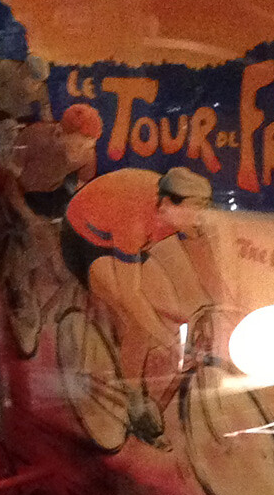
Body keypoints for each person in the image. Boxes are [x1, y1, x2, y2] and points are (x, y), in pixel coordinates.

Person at [61, 165, 230, 403]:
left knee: (171, 310)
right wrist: (169, 342)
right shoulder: (135, 221)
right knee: (139, 324)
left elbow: (206, 269)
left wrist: (230, 307)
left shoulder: (181, 216)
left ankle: (134, 359)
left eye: (204, 209)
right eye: (195, 210)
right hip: (84, 241)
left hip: (120, 231)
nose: (200, 218)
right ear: (168, 204)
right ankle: (134, 401)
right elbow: (131, 295)